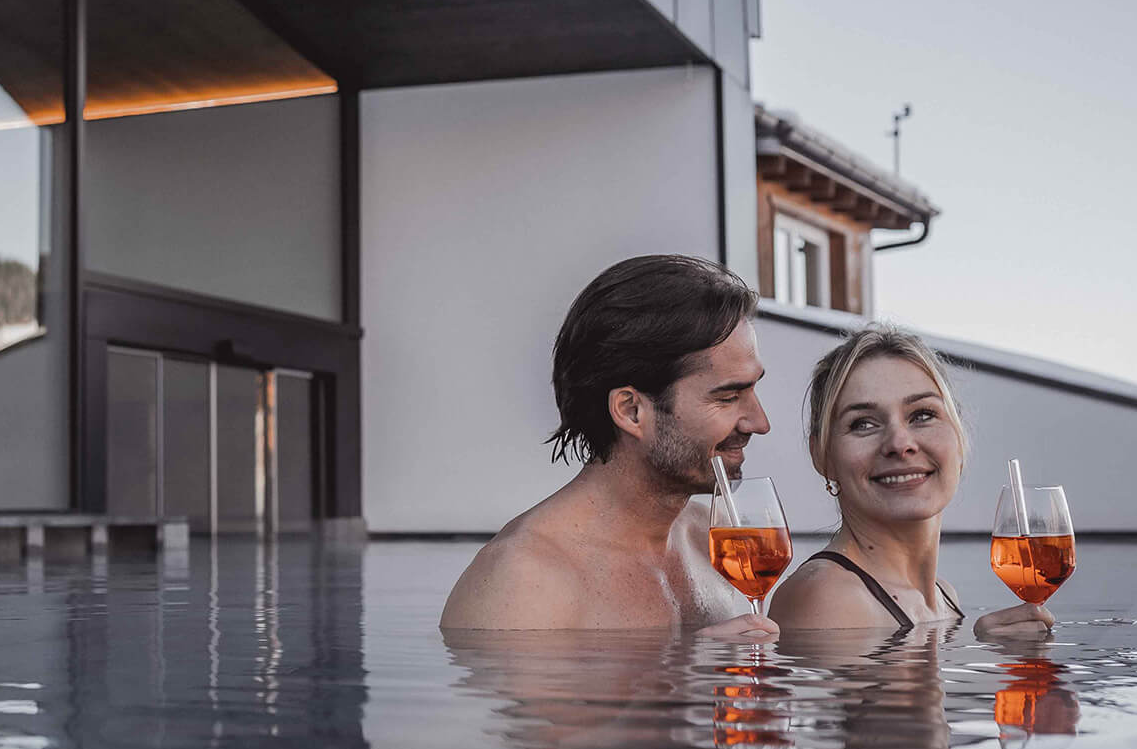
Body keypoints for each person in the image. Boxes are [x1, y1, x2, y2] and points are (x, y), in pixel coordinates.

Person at [441, 254, 778, 636]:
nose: (760, 423)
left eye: (753, 390)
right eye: (728, 397)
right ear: (631, 411)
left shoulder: (711, 542)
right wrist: (695, 664)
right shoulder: (524, 583)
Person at [767, 324, 1049, 638]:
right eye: (863, 424)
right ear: (822, 456)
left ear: (959, 438)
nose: (900, 444)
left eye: (922, 415)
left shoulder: (944, 596)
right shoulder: (827, 598)